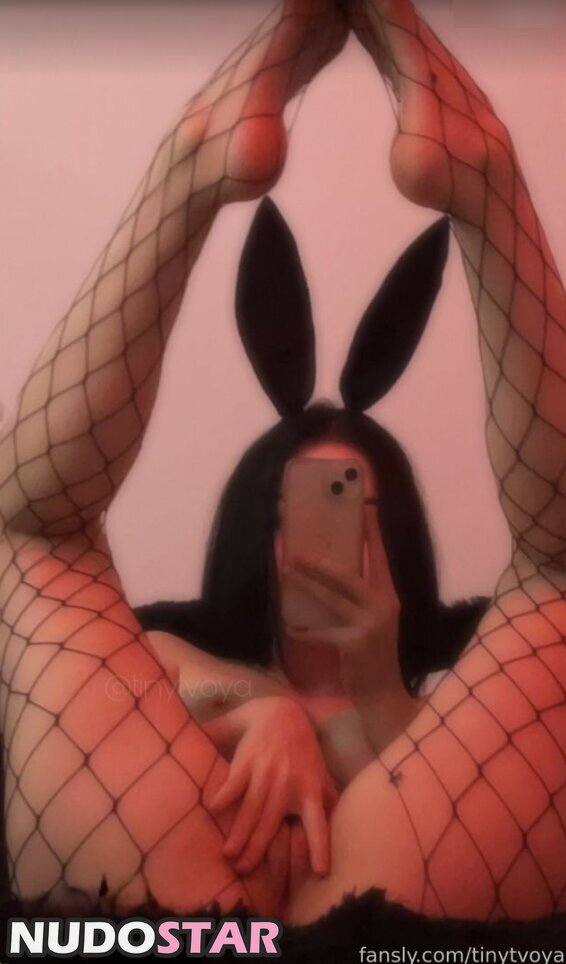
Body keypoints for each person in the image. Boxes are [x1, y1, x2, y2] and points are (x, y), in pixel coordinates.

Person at [0, 0, 563, 937]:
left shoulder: (447, 670)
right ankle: (481, 178)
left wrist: (378, 689)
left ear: (398, 531)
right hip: (205, 918)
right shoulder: (186, 649)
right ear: (254, 529)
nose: (328, 533)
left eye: (358, 504)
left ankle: (195, 161)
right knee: (556, 572)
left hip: (368, 940)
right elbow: (159, 673)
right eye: (297, 506)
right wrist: (266, 712)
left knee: (39, 540)